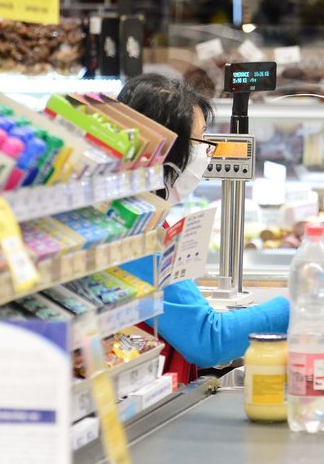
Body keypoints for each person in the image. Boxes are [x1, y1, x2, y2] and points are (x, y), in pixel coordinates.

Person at [118, 73, 289, 380]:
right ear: (168, 148)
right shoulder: (136, 229)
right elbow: (207, 340)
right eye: (200, 141)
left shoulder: (133, 213)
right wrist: (299, 304)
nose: (206, 154)